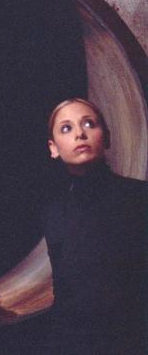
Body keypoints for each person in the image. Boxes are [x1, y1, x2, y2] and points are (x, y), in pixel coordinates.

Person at [41, 98, 147, 354]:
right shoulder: (55, 213)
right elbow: (64, 295)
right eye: (66, 128)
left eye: (89, 124)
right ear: (53, 148)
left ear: (107, 137)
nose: (80, 134)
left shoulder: (140, 198)